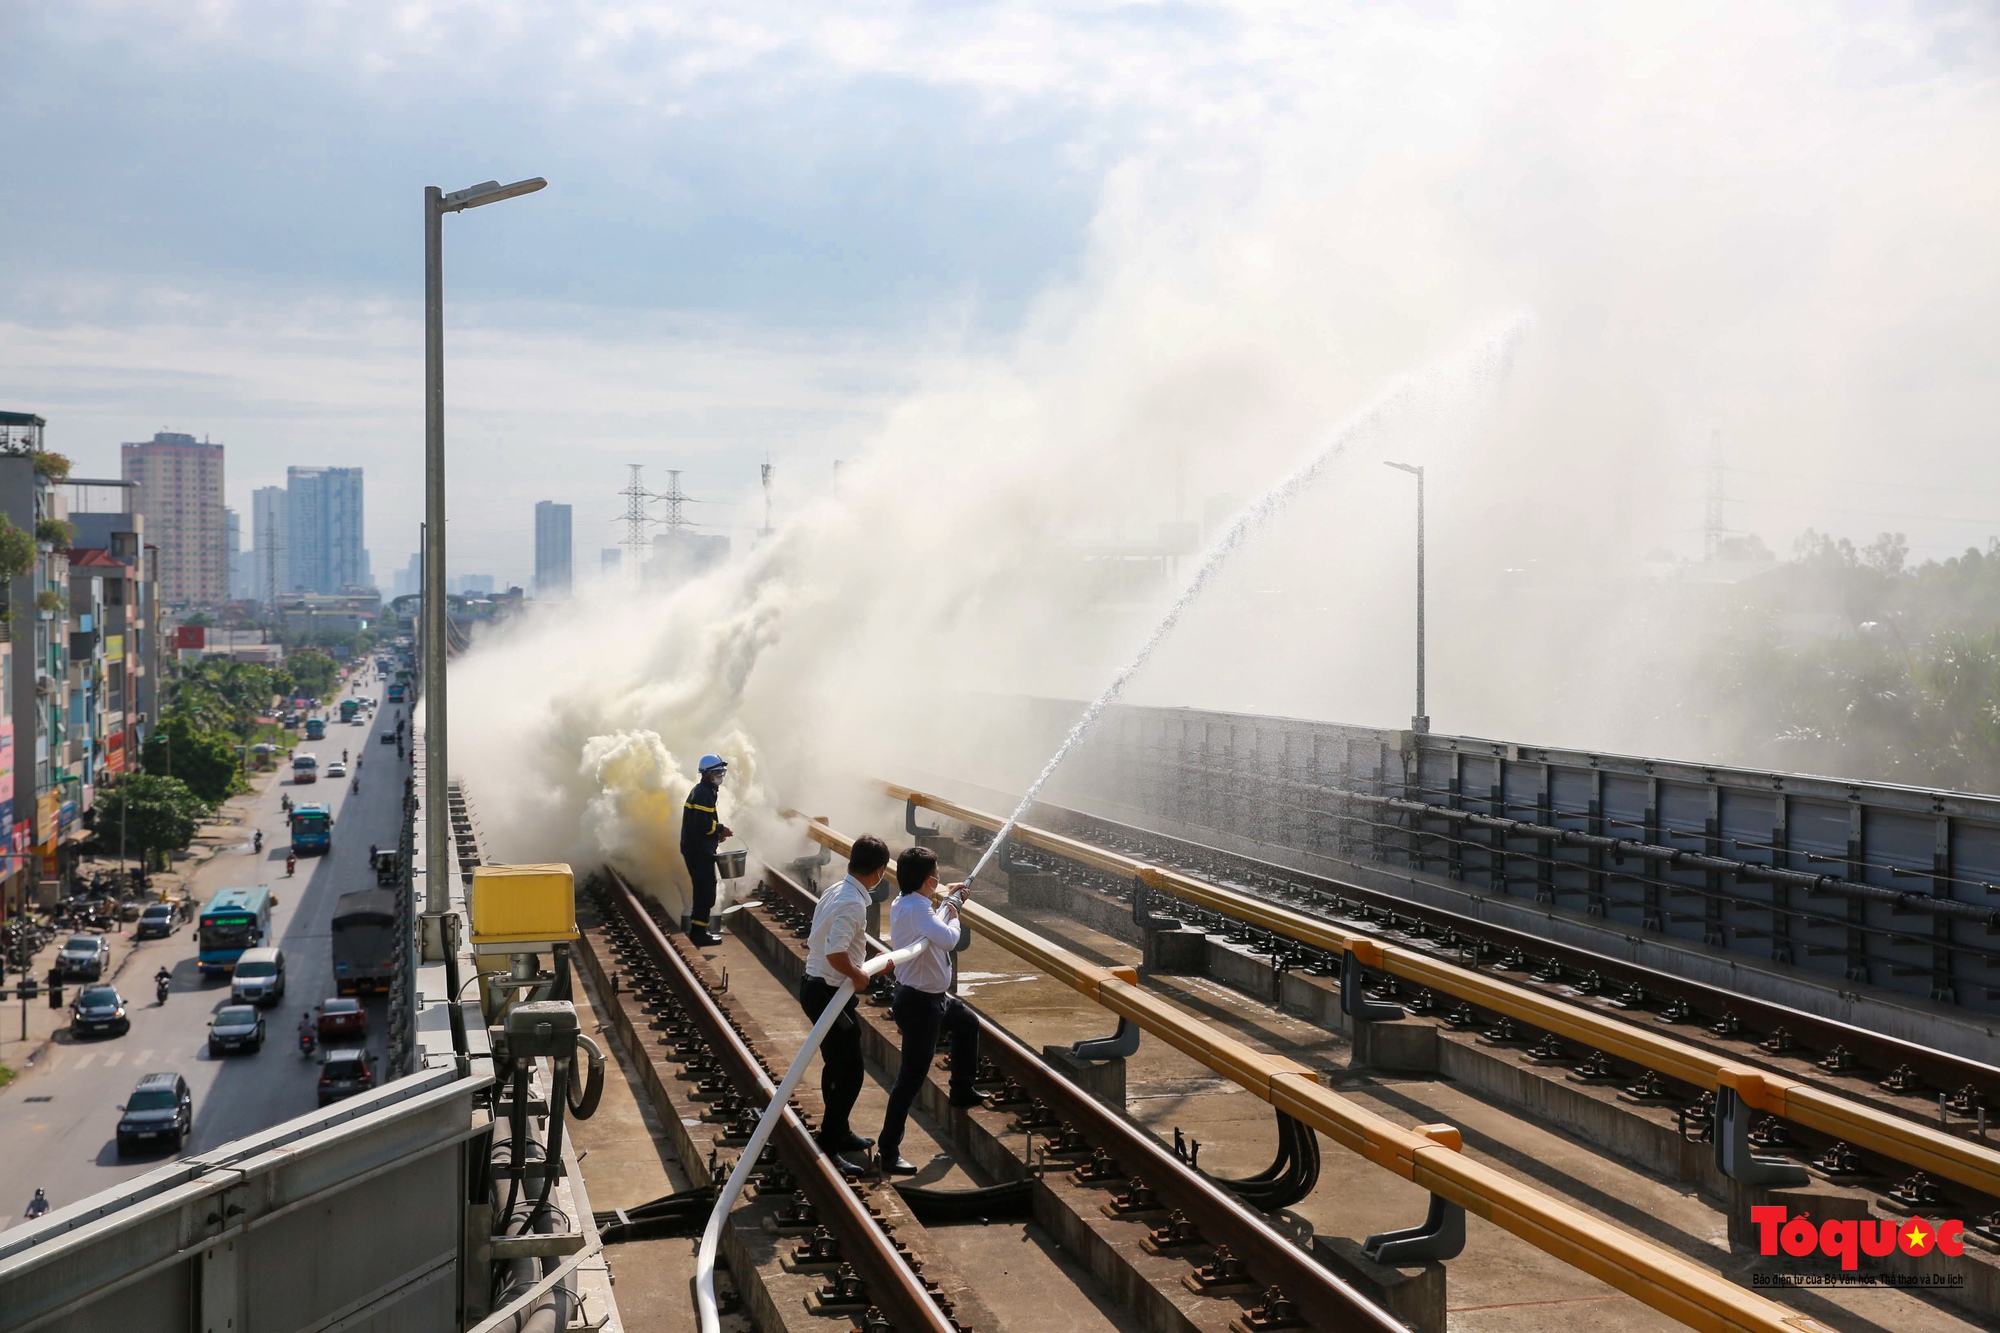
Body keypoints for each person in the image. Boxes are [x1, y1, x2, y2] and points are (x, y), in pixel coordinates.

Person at [875, 846, 981, 1174]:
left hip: (934, 998)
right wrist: (955, 908)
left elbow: (933, 920)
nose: (939, 879)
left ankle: (961, 1090)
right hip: (920, 1004)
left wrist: (947, 902)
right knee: (911, 1078)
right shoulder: (919, 910)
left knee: (967, 1023)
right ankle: (889, 1151)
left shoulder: (909, 902)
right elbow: (949, 939)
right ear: (926, 880)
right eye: (935, 875)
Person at [801, 833, 892, 1173]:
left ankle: (840, 1131)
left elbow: (842, 943)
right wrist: (858, 975)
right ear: (880, 871)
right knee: (850, 1072)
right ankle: (829, 1143)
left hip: (820, 987)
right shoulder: (853, 902)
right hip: (826, 992)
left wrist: (868, 961)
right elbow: (836, 952)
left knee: (838, 1064)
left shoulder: (838, 889)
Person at [678, 755, 733, 947]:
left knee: (704, 890)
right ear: (707, 774)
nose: (721, 776)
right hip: (697, 850)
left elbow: (701, 822)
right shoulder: (703, 793)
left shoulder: (707, 790)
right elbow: (701, 823)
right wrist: (719, 829)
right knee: (705, 891)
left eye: (722, 772)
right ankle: (699, 933)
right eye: (717, 772)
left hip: (698, 847)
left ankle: (699, 931)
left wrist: (714, 835)